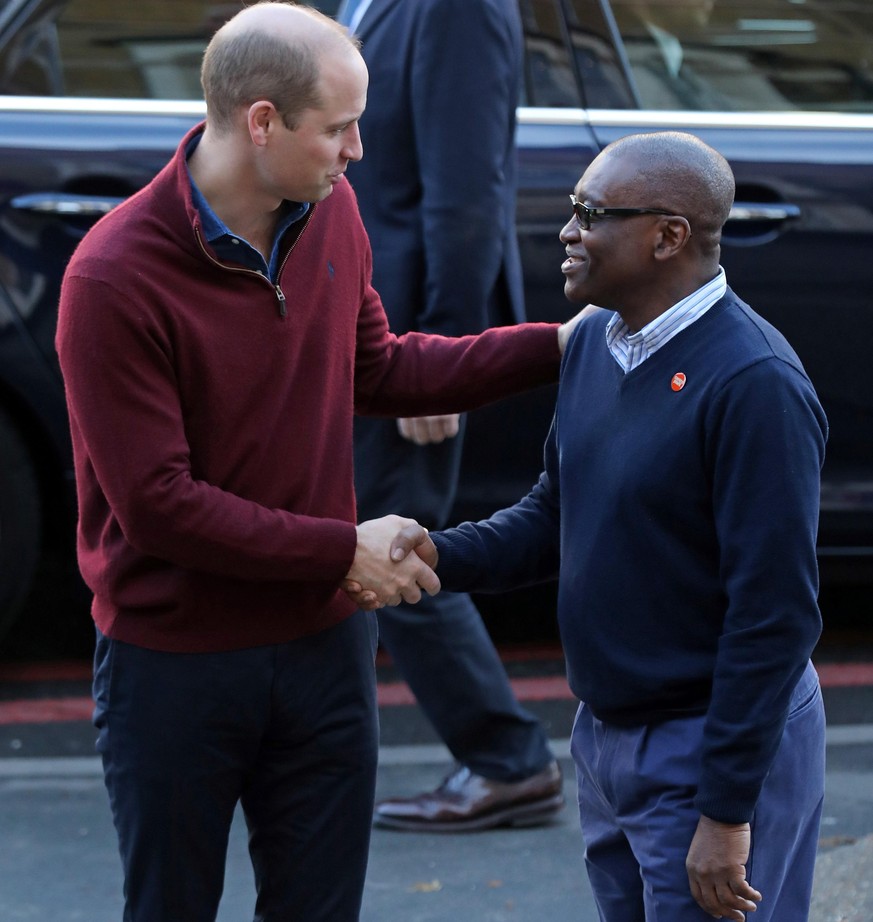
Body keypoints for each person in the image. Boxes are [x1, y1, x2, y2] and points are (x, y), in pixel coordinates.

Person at [54, 3, 583, 920]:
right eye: (338, 128)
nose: (358, 152)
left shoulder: (330, 215)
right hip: (177, 664)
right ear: (263, 121)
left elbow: (378, 366)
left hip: (323, 650)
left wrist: (561, 345)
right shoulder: (112, 278)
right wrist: (342, 550)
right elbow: (161, 507)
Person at [381, 131, 828, 921]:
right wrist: (435, 554)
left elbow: (773, 617)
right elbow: (558, 510)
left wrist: (725, 812)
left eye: (590, 214)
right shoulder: (596, 341)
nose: (566, 231)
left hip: (710, 746)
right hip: (607, 739)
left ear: (667, 236)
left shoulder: (755, 384)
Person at [338, 0, 563, 832]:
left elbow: (468, 189)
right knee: (365, 525)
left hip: (405, 330)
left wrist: (439, 358)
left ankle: (509, 760)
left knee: (391, 535)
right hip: (361, 316)